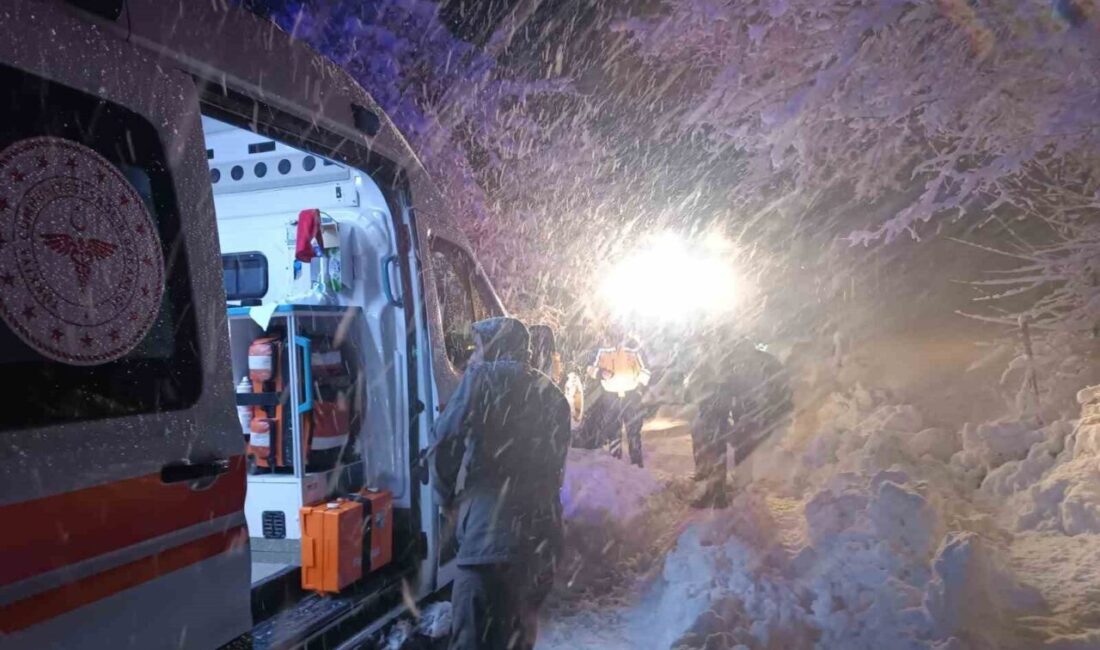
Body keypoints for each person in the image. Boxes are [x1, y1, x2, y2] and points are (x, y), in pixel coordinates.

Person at [430, 317, 571, 650]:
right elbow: (555, 470)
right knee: (516, 636)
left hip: (488, 538)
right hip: (539, 542)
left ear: (493, 348)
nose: (473, 358)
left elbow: (444, 441)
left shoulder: (482, 379)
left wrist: (445, 497)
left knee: (474, 637)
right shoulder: (553, 394)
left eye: (478, 348)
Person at [683, 333, 792, 508]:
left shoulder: (755, 364)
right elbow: (726, 387)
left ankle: (736, 495)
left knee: (739, 453)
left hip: (747, 414)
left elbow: (764, 388)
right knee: (721, 452)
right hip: (731, 414)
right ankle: (718, 492)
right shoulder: (727, 363)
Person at [586, 333, 650, 467]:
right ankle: (615, 461)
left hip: (631, 395)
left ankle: (637, 462)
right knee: (613, 430)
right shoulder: (600, 348)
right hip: (610, 396)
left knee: (633, 429)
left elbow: (646, 369)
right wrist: (600, 373)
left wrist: (639, 387)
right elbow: (589, 368)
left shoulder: (633, 347)